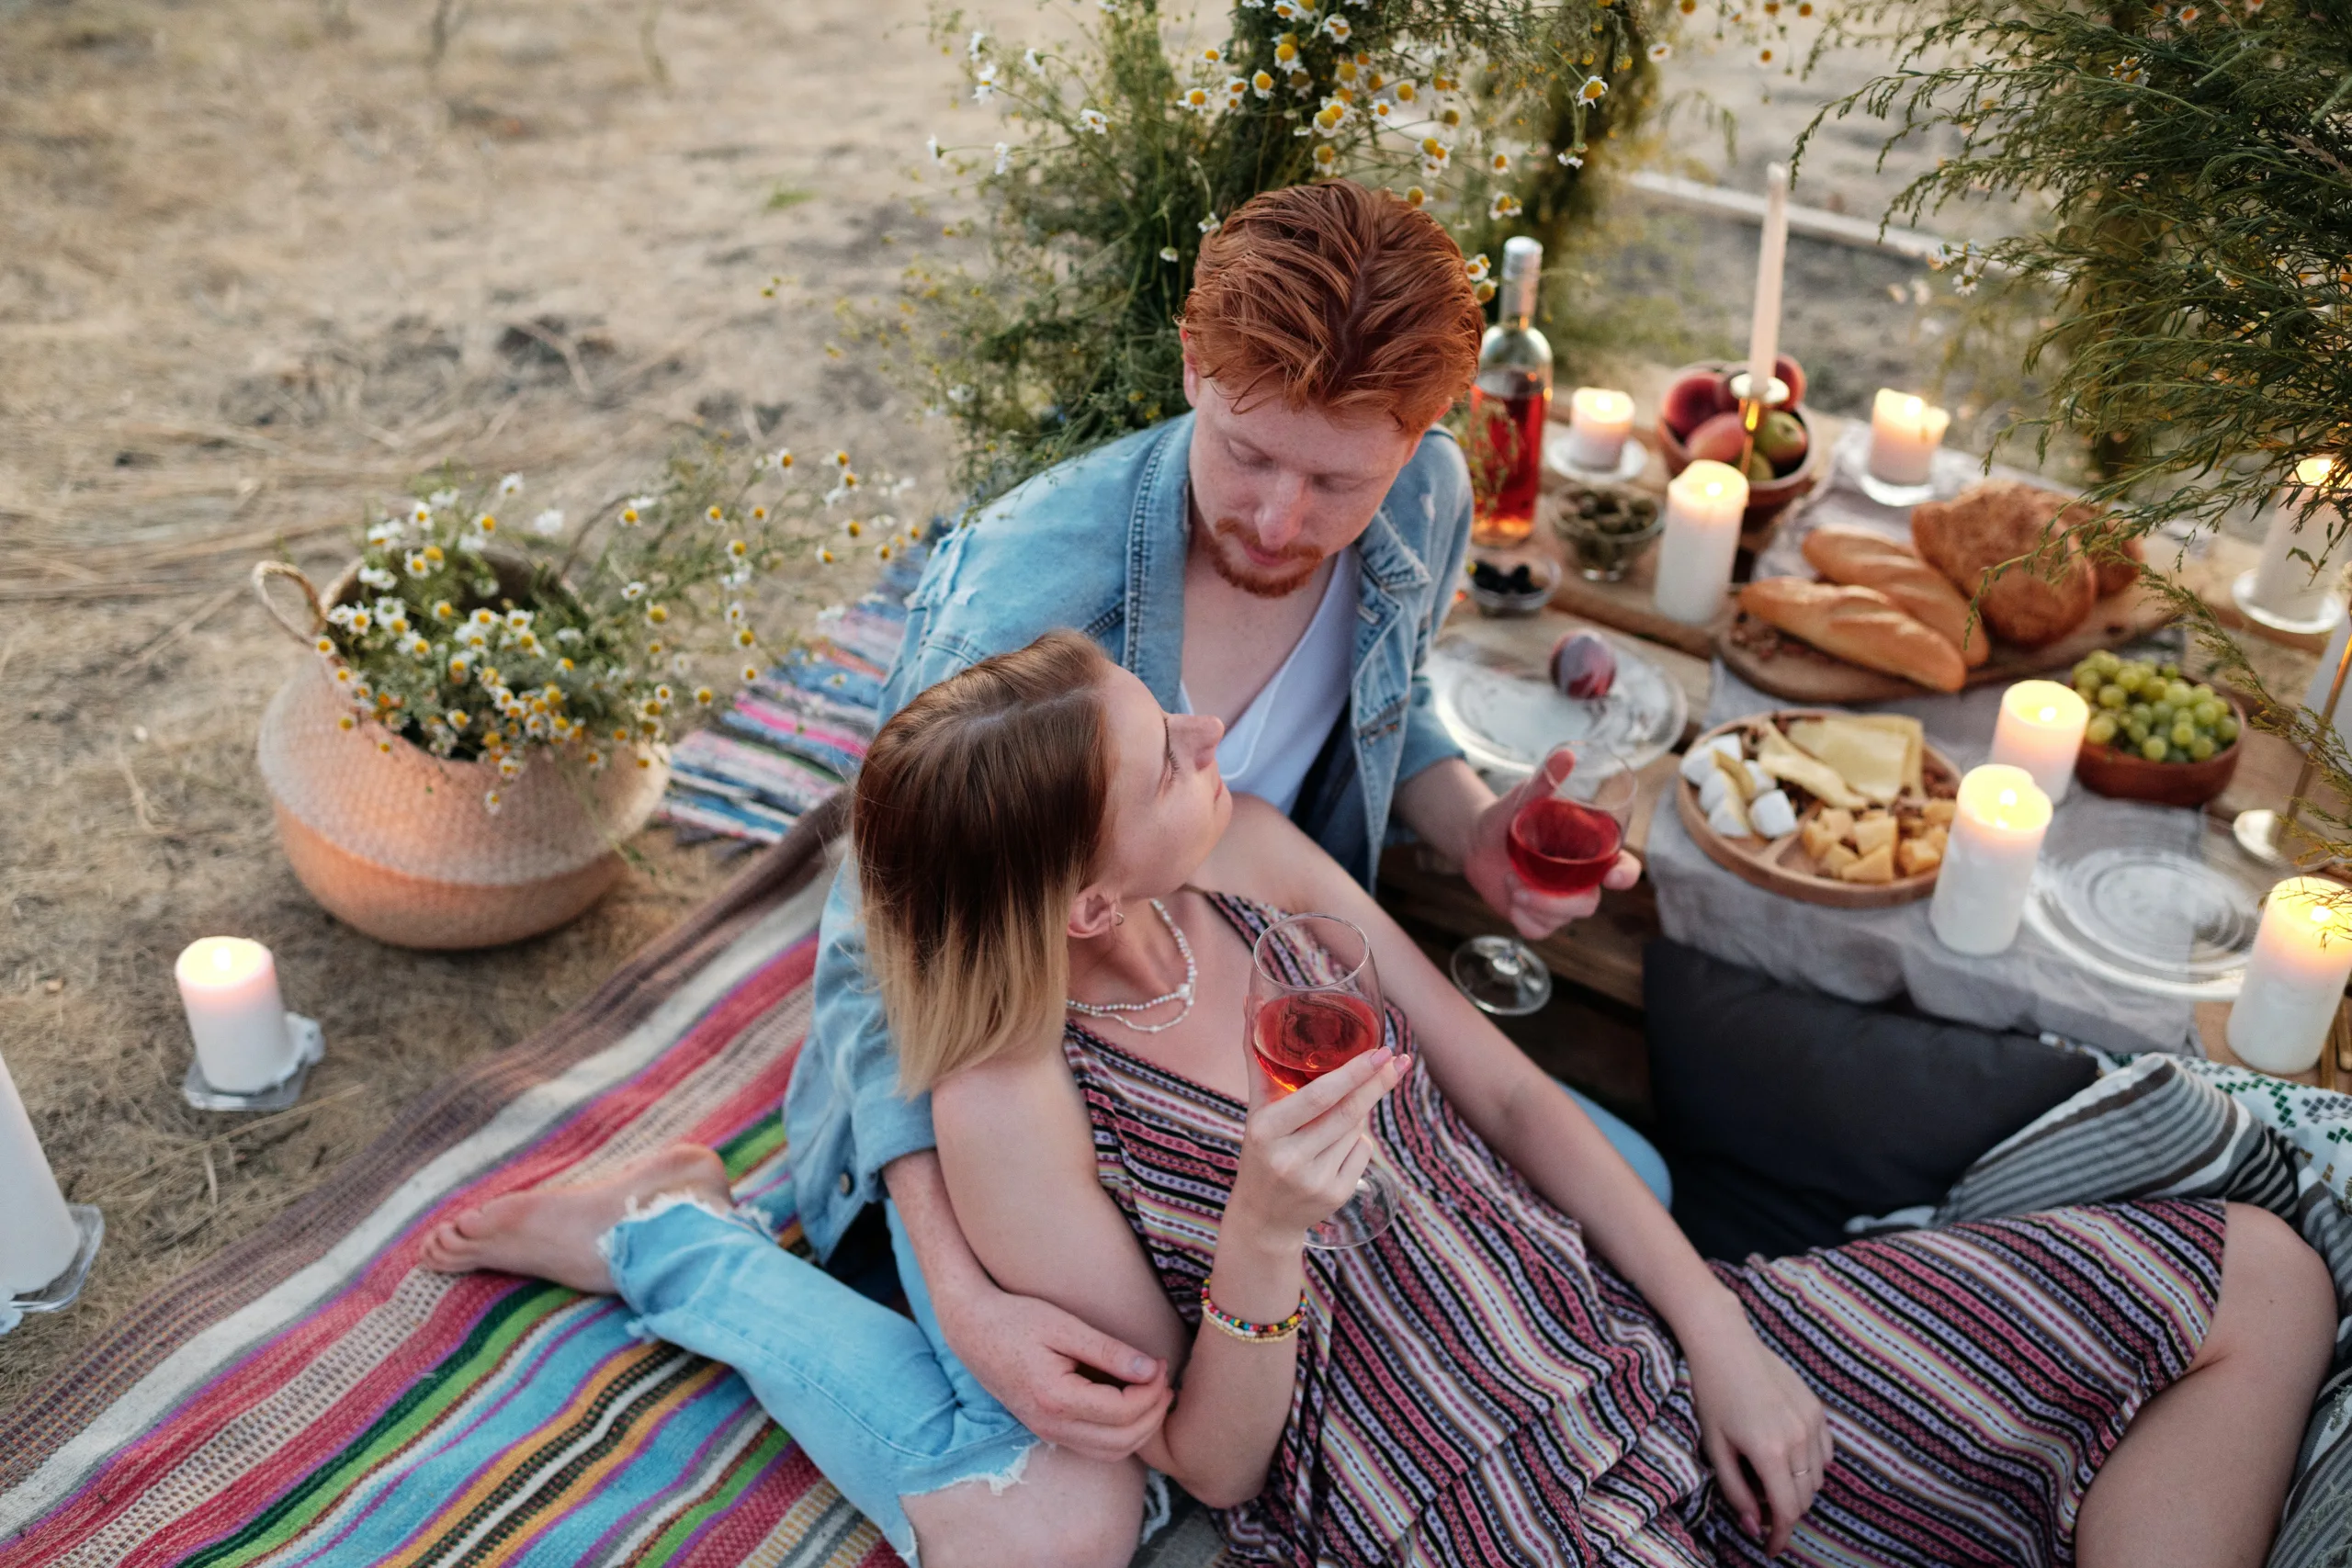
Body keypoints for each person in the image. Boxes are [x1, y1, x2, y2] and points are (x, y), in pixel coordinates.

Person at [428, 181, 1664, 1564]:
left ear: (1423, 438)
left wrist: (1474, 823)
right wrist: (962, 1289)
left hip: (1224, 1027)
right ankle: (669, 1231)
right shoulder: (1035, 580)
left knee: (1627, 1190)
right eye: (1249, 453)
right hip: (1014, 1092)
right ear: (1196, 365)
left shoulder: (1422, 497)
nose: (1279, 516)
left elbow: (1384, 686)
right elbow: (881, 933)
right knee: (1069, 1517)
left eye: (1338, 483)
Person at [872, 632, 2331, 1568]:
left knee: (2256, 1276)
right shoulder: (1013, 1105)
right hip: (1462, 1498)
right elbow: (1208, 1458)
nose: (1206, 729)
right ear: (1082, 900)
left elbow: (1507, 1099)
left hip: (1625, 1346)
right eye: (1162, 752)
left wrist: (1722, 1336)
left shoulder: (1243, 854)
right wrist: (1260, 1241)